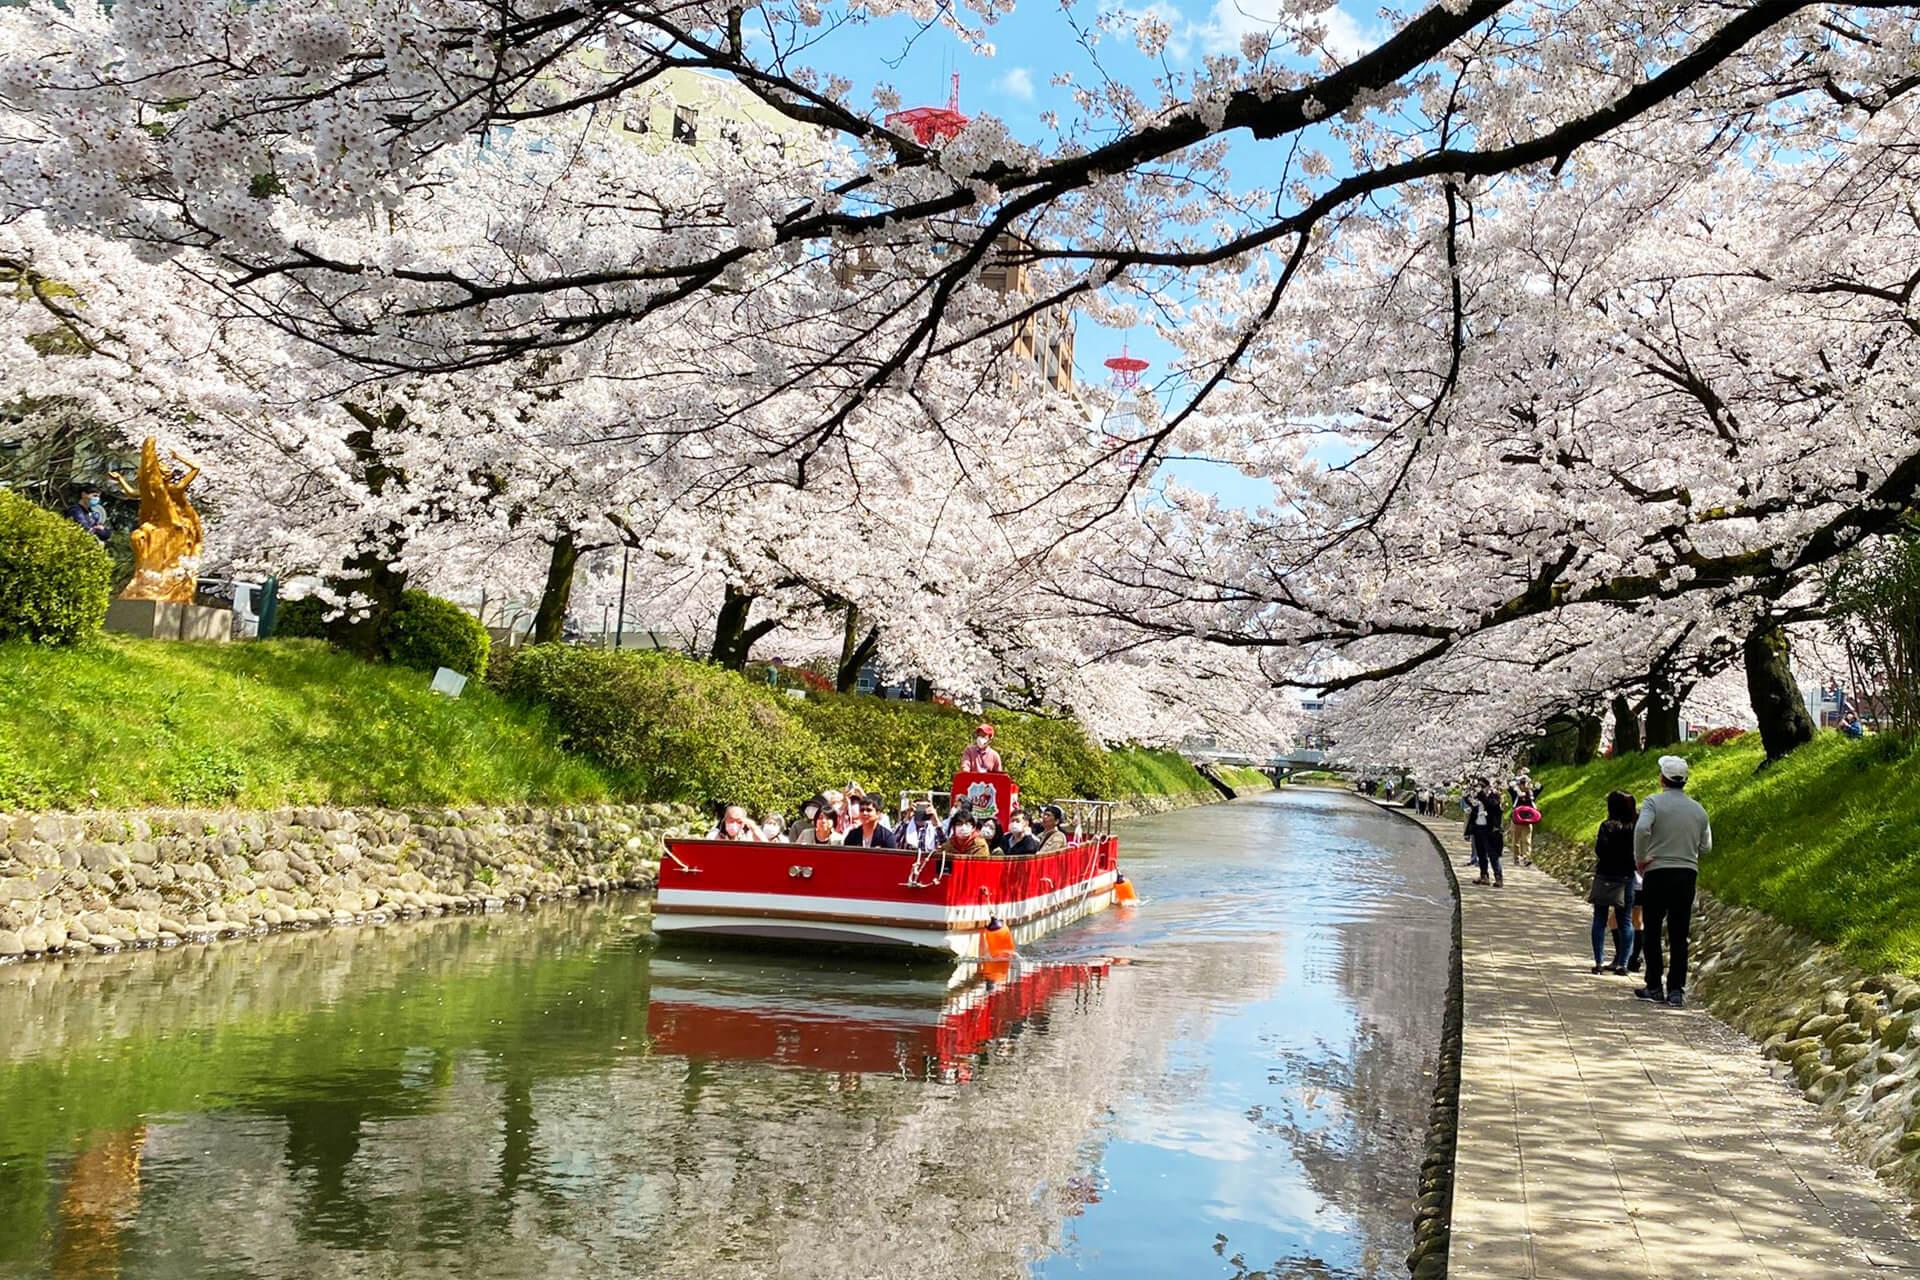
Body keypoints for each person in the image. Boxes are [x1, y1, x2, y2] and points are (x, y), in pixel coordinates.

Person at [1634, 755, 1713, 1008]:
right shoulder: (1698, 809)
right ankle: (1676, 990)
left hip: (1657, 871)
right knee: (1679, 933)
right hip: (1686, 874)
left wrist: (1641, 858)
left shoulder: (1653, 803)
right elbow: (1707, 846)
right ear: (1685, 781)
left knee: (1653, 929)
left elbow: (1642, 829)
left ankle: (1654, 986)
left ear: (1662, 779)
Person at [1588, 790, 1638, 974]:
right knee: (1625, 920)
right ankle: (1624, 963)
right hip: (1626, 876)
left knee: (1599, 919)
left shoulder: (1606, 826)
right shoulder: (1634, 827)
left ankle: (1599, 962)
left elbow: (1600, 850)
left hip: (1605, 876)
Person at [1466, 780, 1505, 886]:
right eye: (1478, 786)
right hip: (1478, 828)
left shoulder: (1494, 796)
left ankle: (1498, 877)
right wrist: (1468, 794)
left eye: (1482, 786)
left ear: (1488, 786)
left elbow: (1491, 806)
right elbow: (1471, 806)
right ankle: (1484, 876)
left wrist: (1481, 794)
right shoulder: (1477, 796)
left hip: (1490, 830)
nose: (1479, 788)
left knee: (1493, 855)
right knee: (1481, 854)